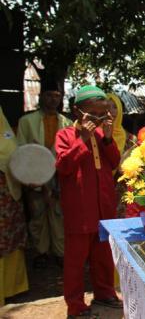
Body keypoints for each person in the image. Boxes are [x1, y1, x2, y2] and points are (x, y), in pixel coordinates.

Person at [55, 86, 123, 318]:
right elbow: (64, 167)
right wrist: (83, 137)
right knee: (75, 260)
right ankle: (75, 305)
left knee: (102, 254)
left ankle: (104, 293)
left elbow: (115, 163)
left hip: (104, 205)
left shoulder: (102, 135)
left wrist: (108, 138)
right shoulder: (65, 135)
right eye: (93, 114)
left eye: (103, 114)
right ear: (77, 112)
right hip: (79, 208)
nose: (99, 119)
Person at [16, 88, 71, 268]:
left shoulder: (67, 123)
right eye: (49, 95)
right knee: (37, 215)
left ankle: (60, 252)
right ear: (41, 97)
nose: (53, 99)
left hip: (59, 174)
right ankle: (41, 252)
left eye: (57, 96)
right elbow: (20, 151)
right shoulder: (26, 121)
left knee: (59, 214)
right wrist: (25, 177)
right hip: (34, 174)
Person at [0, 106, 28, 306]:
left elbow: (19, 160)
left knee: (10, 239)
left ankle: (12, 287)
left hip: (8, 198)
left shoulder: (7, 134)